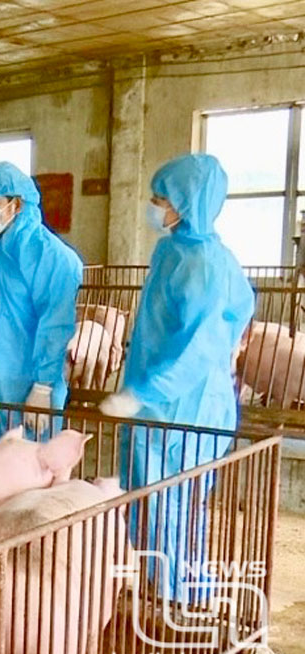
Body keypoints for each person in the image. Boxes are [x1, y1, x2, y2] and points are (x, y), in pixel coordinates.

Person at [99, 153, 254, 603]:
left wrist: (143, 391)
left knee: (174, 503)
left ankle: (177, 597)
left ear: (188, 203)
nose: (153, 206)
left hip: (187, 404)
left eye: (161, 198)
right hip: (158, 401)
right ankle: (155, 586)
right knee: (148, 499)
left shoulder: (206, 263)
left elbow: (198, 347)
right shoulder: (171, 250)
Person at [0, 162, 82, 448]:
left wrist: (43, 386)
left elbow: (55, 324)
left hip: (21, 385)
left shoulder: (50, 255)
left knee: (23, 460)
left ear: (17, 204)